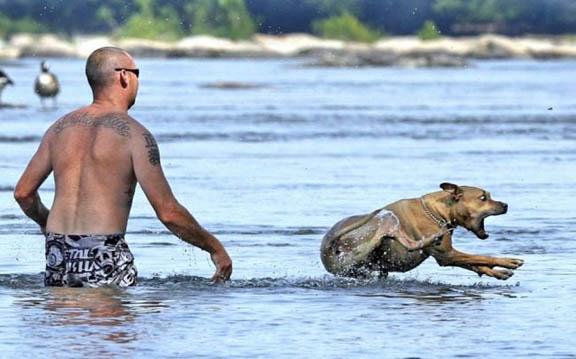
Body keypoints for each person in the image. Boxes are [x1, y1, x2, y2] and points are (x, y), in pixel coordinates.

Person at [14, 47, 232, 287]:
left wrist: (46, 222)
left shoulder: (58, 129)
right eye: (137, 73)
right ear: (124, 76)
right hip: (104, 252)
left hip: (57, 253)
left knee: (65, 320)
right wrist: (215, 248)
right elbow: (168, 212)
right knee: (117, 322)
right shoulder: (136, 135)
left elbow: (23, 193)